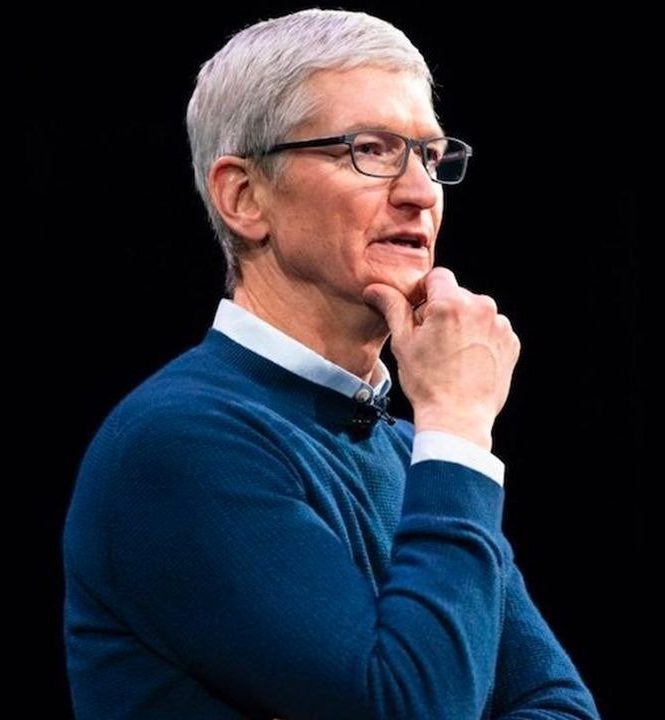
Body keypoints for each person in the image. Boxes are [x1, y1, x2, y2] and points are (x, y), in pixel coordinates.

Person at [62, 9, 599, 719]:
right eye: (370, 150)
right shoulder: (178, 444)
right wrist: (457, 421)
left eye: (431, 157)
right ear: (244, 197)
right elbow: (410, 708)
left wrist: (444, 436)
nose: (420, 192)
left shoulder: (412, 452)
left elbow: (560, 705)